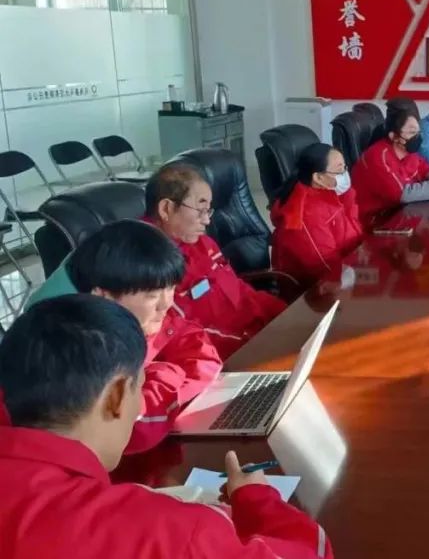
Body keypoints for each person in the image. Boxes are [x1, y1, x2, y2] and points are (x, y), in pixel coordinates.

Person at [0, 295, 332, 557]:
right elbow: (310, 553)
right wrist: (256, 499)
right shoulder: (168, 534)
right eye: (140, 386)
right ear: (116, 396)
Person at [23, 220, 223, 454]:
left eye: (170, 288)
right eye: (152, 295)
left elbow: (202, 352)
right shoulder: (74, 350)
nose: (166, 304)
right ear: (103, 297)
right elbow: (132, 428)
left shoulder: (134, 313)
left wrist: (156, 384)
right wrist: (170, 373)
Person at [146, 162, 286, 358]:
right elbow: (188, 338)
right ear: (166, 208)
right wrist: (262, 342)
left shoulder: (202, 242)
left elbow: (239, 291)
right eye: (200, 209)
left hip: (254, 337)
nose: (207, 220)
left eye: (208, 210)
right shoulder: (151, 266)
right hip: (232, 356)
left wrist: (285, 315)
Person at [270, 143, 364, 287]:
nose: (345, 175)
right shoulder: (305, 215)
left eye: (345, 168)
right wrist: (366, 275)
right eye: (339, 171)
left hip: (347, 270)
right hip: (314, 291)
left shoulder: (331, 192)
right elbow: (327, 269)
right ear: (318, 178)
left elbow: (354, 233)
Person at [354, 108, 429, 228]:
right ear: (394, 136)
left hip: (401, 214)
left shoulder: (408, 152)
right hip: (376, 223)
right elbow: (403, 194)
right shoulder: (378, 157)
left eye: (418, 132)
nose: (417, 137)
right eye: (412, 132)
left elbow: (427, 170)